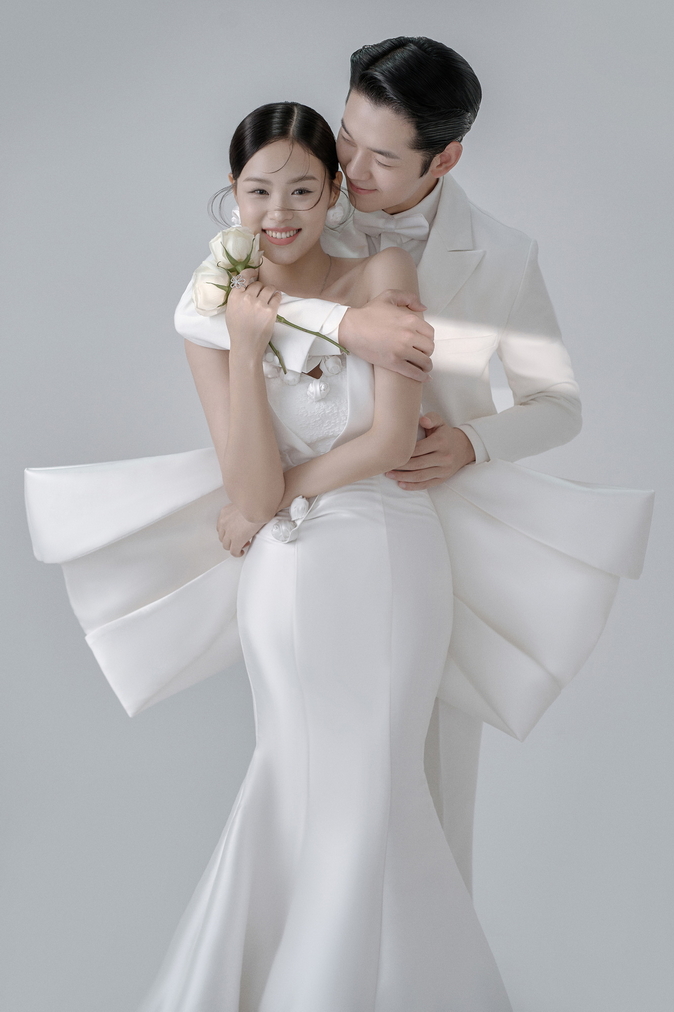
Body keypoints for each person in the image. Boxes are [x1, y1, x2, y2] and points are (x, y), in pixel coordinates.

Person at [174, 36, 583, 893]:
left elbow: (558, 404)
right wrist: (345, 327)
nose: (352, 169)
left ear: (446, 158)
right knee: (314, 779)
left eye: (382, 157)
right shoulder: (301, 202)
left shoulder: (505, 256)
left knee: (428, 789)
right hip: (310, 533)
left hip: (437, 537)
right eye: (348, 138)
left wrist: (473, 442)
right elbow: (212, 313)